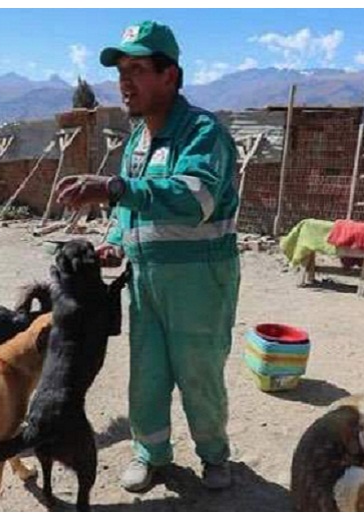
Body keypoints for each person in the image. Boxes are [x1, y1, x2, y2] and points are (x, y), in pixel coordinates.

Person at [54, 20, 241, 492]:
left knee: (199, 373)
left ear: (170, 76)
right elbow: (129, 208)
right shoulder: (137, 140)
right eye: (121, 70)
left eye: (137, 68)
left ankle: (215, 457)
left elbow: (193, 198)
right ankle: (150, 453)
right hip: (146, 278)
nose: (124, 80)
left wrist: (113, 187)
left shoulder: (203, 133)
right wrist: (116, 235)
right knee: (148, 375)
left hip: (200, 280)